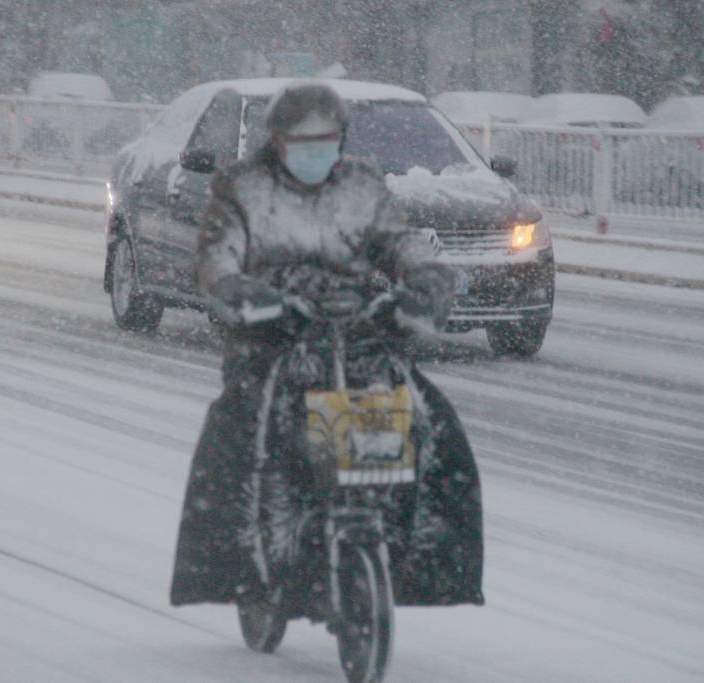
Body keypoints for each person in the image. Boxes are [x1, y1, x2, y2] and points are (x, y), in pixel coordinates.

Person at [170, 82, 484, 609]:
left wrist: (426, 286)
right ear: (277, 140)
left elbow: (403, 246)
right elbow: (216, 261)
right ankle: (238, 569)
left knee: (432, 425)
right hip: (273, 340)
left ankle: (422, 563)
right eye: (304, 141)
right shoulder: (242, 188)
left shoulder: (361, 186)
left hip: (357, 333)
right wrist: (245, 296)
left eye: (328, 139)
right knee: (240, 435)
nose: (317, 150)